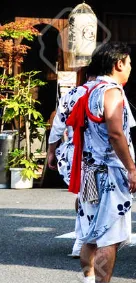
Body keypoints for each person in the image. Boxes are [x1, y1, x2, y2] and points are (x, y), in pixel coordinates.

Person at [68, 42, 136, 283]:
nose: (130, 68)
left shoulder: (85, 90)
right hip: (109, 172)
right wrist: (132, 169)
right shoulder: (110, 91)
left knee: (89, 234)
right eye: (129, 63)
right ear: (119, 63)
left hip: (89, 171)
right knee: (109, 236)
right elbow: (116, 133)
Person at [47, 62, 97, 259]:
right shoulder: (109, 92)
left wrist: (52, 151)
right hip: (97, 155)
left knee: (85, 196)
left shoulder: (72, 94)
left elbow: (58, 126)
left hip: (73, 152)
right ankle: (83, 240)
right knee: (91, 198)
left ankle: (83, 239)